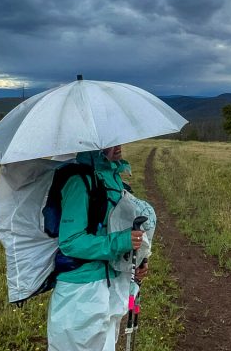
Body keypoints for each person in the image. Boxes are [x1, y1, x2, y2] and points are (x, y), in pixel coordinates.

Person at [48, 145, 149, 350]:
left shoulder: (111, 177)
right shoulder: (79, 182)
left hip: (109, 286)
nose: (119, 145)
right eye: (110, 141)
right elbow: (71, 241)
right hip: (80, 295)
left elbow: (111, 228)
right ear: (92, 144)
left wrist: (134, 264)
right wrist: (122, 242)